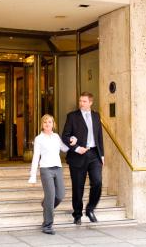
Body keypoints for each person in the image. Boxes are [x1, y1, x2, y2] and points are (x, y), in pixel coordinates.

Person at [62, 91, 104, 225]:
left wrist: (102, 155)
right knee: (78, 187)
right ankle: (77, 214)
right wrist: (76, 148)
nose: (81, 103)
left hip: (94, 155)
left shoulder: (96, 116)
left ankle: (90, 209)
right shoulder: (72, 116)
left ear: (90, 102)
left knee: (97, 182)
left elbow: (99, 137)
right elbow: (65, 136)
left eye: (84, 101)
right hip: (78, 156)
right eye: (80, 101)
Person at [28, 114, 68, 235]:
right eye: (45, 122)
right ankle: (47, 225)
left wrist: (74, 142)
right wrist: (33, 176)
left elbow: (65, 149)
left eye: (50, 122)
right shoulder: (39, 139)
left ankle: (46, 205)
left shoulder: (56, 137)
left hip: (58, 168)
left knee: (60, 195)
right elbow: (36, 157)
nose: (47, 124)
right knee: (50, 197)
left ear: (53, 124)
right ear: (42, 125)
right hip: (46, 169)